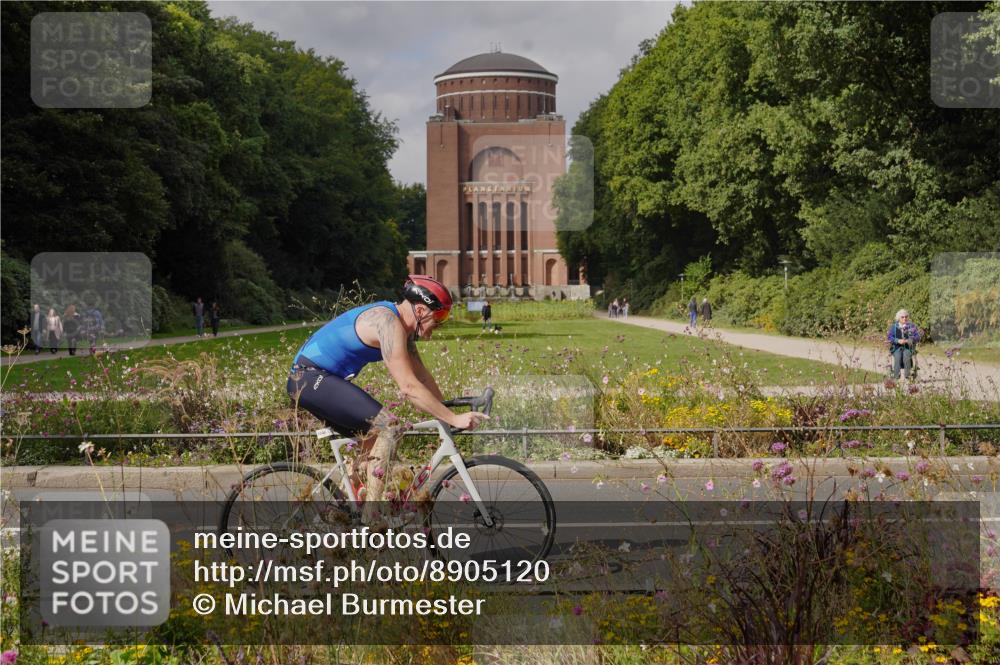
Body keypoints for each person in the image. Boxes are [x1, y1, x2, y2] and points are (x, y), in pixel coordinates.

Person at [287, 275, 488, 518]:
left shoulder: (401, 328)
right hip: (310, 379)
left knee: (374, 446)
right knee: (388, 427)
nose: (439, 325)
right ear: (421, 309)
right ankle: (372, 519)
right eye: (440, 317)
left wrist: (447, 412)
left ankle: (341, 515)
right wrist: (453, 419)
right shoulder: (389, 323)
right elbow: (409, 387)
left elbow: (422, 378)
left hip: (322, 380)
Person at [887, 309, 921, 381]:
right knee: (898, 357)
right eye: (902, 317)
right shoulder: (894, 327)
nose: (904, 318)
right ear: (899, 318)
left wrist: (909, 340)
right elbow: (889, 337)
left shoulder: (911, 326)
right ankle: (896, 377)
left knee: (906, 356)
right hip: (896, 347)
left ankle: (907, 376)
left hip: (908, 347)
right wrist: (897, 340)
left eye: (906, 317)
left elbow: (918, 336)